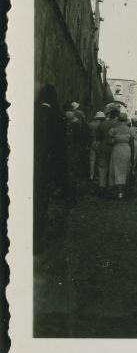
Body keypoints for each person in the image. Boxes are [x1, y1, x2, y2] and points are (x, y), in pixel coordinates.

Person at [34, 84, 65, 254]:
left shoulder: (30, 113)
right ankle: (36, 241)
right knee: (40, 203)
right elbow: (60, 151)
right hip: (45, 167)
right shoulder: (56, 117)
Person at [109, 112, 134, 200]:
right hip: (126, 149)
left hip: (117, 149)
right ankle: (122, 190)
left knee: (116, 168)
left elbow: (110, 140)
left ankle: (118, 191)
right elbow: (131, 142)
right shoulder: (129, 129)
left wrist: (115, 140)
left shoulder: (114, 129)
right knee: (125, 168)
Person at [95, 107, 119, 195]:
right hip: (114, 147)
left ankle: (102, 186)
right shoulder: (118, 125)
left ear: (109, 114)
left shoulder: (102, 124)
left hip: (103, 146)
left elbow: (97, 137)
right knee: (112, 167)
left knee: (102, 166)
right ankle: (111, 186)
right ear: (116, 115)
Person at [88, 111, 105, 180]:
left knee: (92, 160)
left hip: (93, 142)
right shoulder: (102, 125)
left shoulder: (91, 124)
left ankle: (91, 175)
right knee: (99, 159)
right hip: (100, 142)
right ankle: (98, 175)